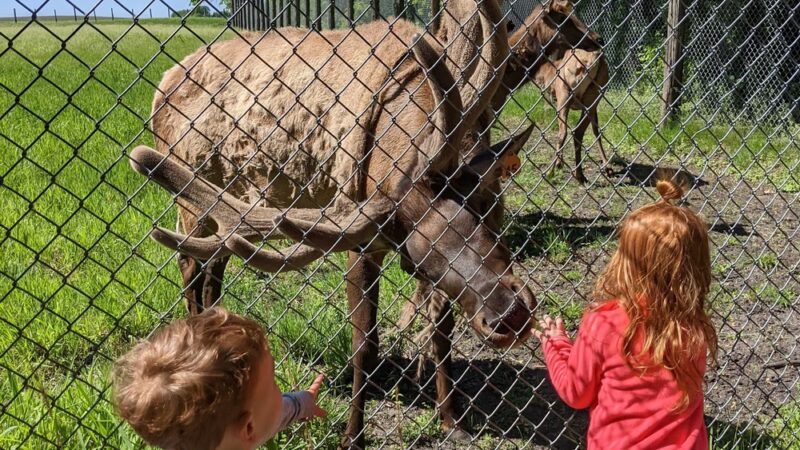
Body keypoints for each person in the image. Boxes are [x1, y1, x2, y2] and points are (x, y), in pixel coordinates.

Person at [533, 179, 718, 449]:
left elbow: (576, 393)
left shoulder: (604, 321)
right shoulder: (693, 327)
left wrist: (556, 344)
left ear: (626, 260)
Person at [111, 307, 326, 450]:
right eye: (273, 383)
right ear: (248, 429)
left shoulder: (203, 435)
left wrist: (302, 403)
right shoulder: (249, 425)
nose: (280, 392)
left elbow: (270, 415)